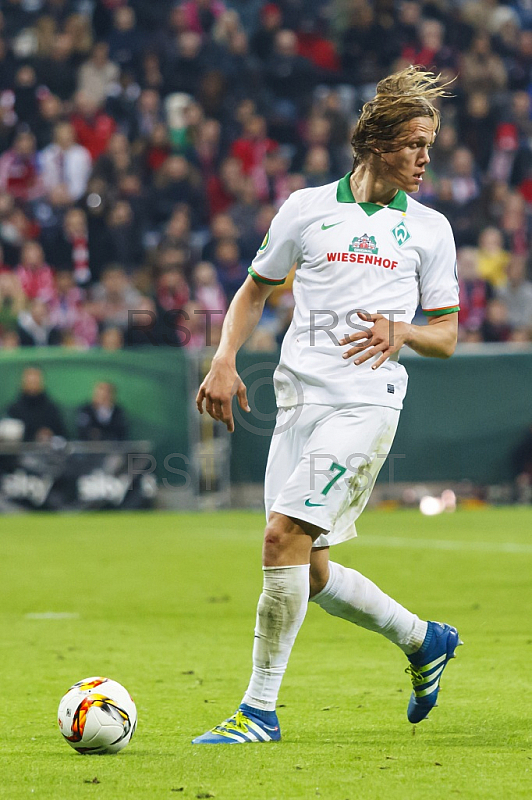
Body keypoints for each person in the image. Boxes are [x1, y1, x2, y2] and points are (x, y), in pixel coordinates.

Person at [194, 67, 463, 744]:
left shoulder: (430, 230)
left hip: (366, 405)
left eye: (429, 143)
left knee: (280, 538)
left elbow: (449, 336)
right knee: (304, 571)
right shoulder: (306, 209)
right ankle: (423, 639)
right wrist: (224, 358)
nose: (424, 156)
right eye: (412, 143)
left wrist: (403, 332)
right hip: (297, 403)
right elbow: (255, 290)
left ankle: (258, 712)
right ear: (374, 144)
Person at [6, 366, 66, 442]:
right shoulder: (13, 410)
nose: (33, 383)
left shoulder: (52, 409)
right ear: (22, 382)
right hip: (21, 452)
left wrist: (50, 435)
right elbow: (9, 440)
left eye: (35, 380)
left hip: (47, 452)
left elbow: (62, 435)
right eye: (29, 380)